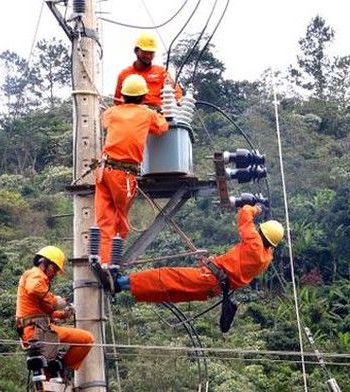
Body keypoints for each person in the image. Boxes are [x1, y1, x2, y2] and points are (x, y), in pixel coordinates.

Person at [112, 204, 284, 303]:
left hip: (209, 279)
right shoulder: (266, 258)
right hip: (213, 288)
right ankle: (122, 287)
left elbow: (244, 215)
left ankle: (119, 282)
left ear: (262, 233)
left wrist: (257, 208)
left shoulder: (254, 243)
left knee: (164, 277)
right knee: (168, 292)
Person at [96, 74, 169, 264]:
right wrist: (158, 111)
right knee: (120, 223)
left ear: (124, 95)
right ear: (143, 96)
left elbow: (104, 120)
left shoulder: (112, 112)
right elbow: (162, 127)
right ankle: (112, 262)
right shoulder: (147, 114)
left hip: (103, 172)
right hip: (124, 176)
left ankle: (103, 262)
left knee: (105, 222)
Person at [15, 246, 94, 371]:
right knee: (86, 339)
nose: (55, 273)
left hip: (38, 330)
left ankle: (55, 370)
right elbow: (33, 289)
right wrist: (55, 300)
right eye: (55, 268)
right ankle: (64, 367)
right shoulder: (35, 274)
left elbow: (47, 312)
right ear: (44, 263)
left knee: (48, 377)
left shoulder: (41, 283)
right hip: (37, 331)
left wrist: (63, 314)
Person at [113, 32, 182, 109]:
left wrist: (177, 104)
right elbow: (117, 101)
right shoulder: (124, 74)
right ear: (136, 51)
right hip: (133, 113)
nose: (149, 56)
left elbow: (177, 94)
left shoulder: (162, 72)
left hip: (157, 113)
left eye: (151, 52)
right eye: (145, 52)